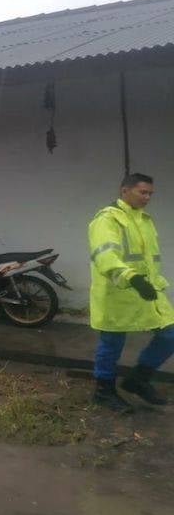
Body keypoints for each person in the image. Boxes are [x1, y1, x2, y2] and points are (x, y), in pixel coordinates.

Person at [88, 173, 174, 411]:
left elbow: (148, 260)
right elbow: (105, 255)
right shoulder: (107, 219)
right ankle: (103, 391)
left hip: (146, 292)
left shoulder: (145, 219)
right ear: (125, 191)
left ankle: (138, 379)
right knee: (112, 343)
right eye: (142, 192)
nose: (147, 197)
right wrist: (131, 277)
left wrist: (150, 283)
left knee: (170, 335)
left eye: (150, 194)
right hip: (117, 293)